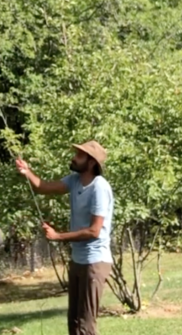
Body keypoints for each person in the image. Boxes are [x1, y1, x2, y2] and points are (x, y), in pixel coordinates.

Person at [15, 140, 114, 335]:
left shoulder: (99, 188)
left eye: (79, 155)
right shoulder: (75, 180)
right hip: (79, 260)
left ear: (92, 162)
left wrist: (58, 236)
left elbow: (94, 231)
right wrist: (27, 172)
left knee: (86, 326)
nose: (73, 158)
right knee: (74, 323)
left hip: (95, 262)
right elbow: (43, 187)